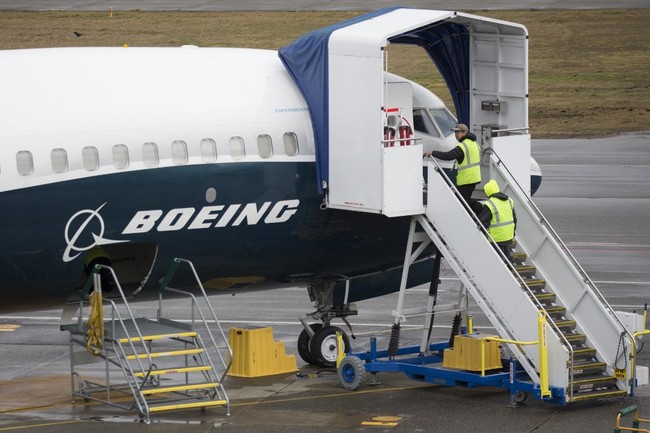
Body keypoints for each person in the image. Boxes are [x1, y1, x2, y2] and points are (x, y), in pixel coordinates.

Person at [424, 123, 482, 213]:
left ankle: (481, 209)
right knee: (462, 200)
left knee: (463, 202)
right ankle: (476, 213)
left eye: (458, 132)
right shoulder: (475, 144)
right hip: (473, 177)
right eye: (455, 132)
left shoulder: (462, 146)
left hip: (467, 179)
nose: (456, 135)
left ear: (465, 132)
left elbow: (448, 156)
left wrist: (432, 153)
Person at [478, 179, 516, 262]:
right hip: (508, 235)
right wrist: (513, 232)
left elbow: (483, 222)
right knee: (507, 254)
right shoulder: (509, 200)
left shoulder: (489, 204)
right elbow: (514, 219)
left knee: (497, 259)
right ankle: (510, 266)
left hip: (496, 237)